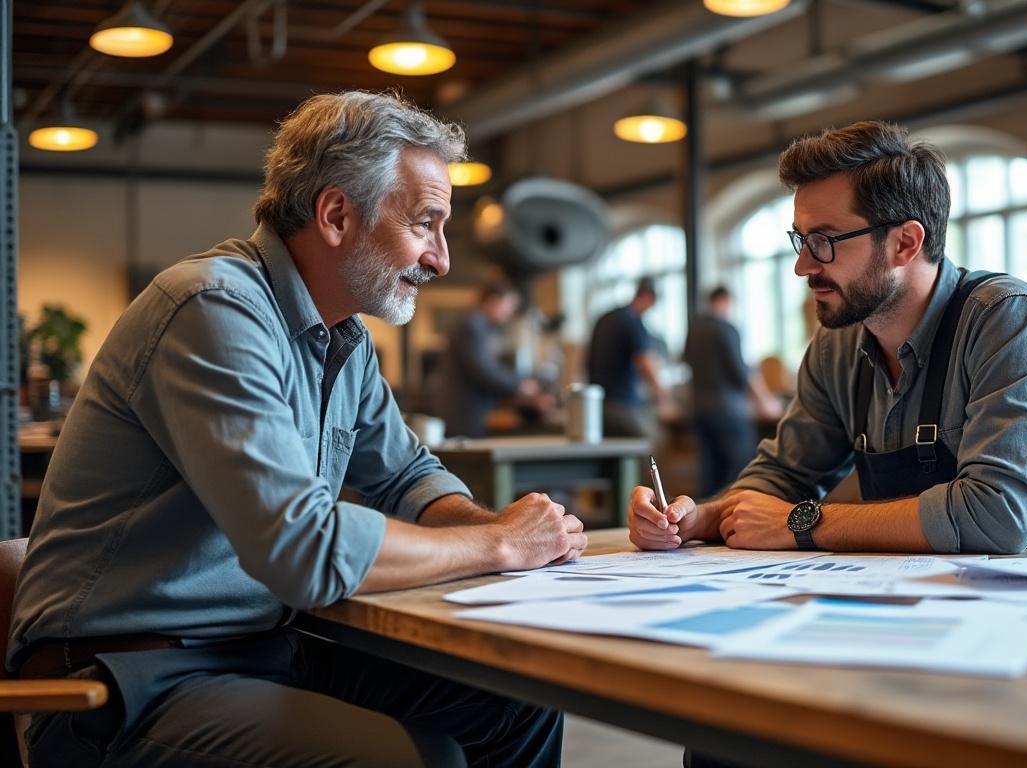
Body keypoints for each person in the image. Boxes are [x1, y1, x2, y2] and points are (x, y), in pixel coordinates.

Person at [7, 91, 586, 768]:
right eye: (425, 223)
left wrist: (500, 528)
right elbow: (304, 549)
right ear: (337, 214)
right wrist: (498, 544)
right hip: (120, 682)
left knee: (516, 703)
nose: (441, 259)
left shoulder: (344, 339)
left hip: (256, 650)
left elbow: (404, 476)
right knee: (416, 761)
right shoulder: (212, 307)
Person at [627, 119, 1027, 556]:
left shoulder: (1008, 321)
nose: (802, 266)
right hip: (917, 602)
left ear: (905, 243)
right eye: (800, 239)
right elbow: (785, 475)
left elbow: (996, 516)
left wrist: (804, 521)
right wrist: (698, 518)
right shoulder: (837, 345)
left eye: (825, 241)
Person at [683, 286, 782, 497]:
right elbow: (742, 371)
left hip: (699, 408)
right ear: (724, 301)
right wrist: (765, 401)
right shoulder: (726, 329)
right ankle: (732, 520)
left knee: (708, 474)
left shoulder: (694, 330)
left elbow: (688, 363)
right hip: (727, 410)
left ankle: (702, 522)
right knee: (739, 471)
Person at [438, 280, 551, 438]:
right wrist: (520, 385)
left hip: (467, 413)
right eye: (509, 305)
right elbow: (482, 370)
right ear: (493, 300)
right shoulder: (472, 326)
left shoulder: (478, 325)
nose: (510, 312)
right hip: (464, 414)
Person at [586, 277, 665, 438]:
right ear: (649, 298)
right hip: (621, 404)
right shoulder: (633, 321)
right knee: (653, 439)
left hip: (597, 406)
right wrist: (662, 394)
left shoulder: (605, 318)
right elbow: (645, 363)